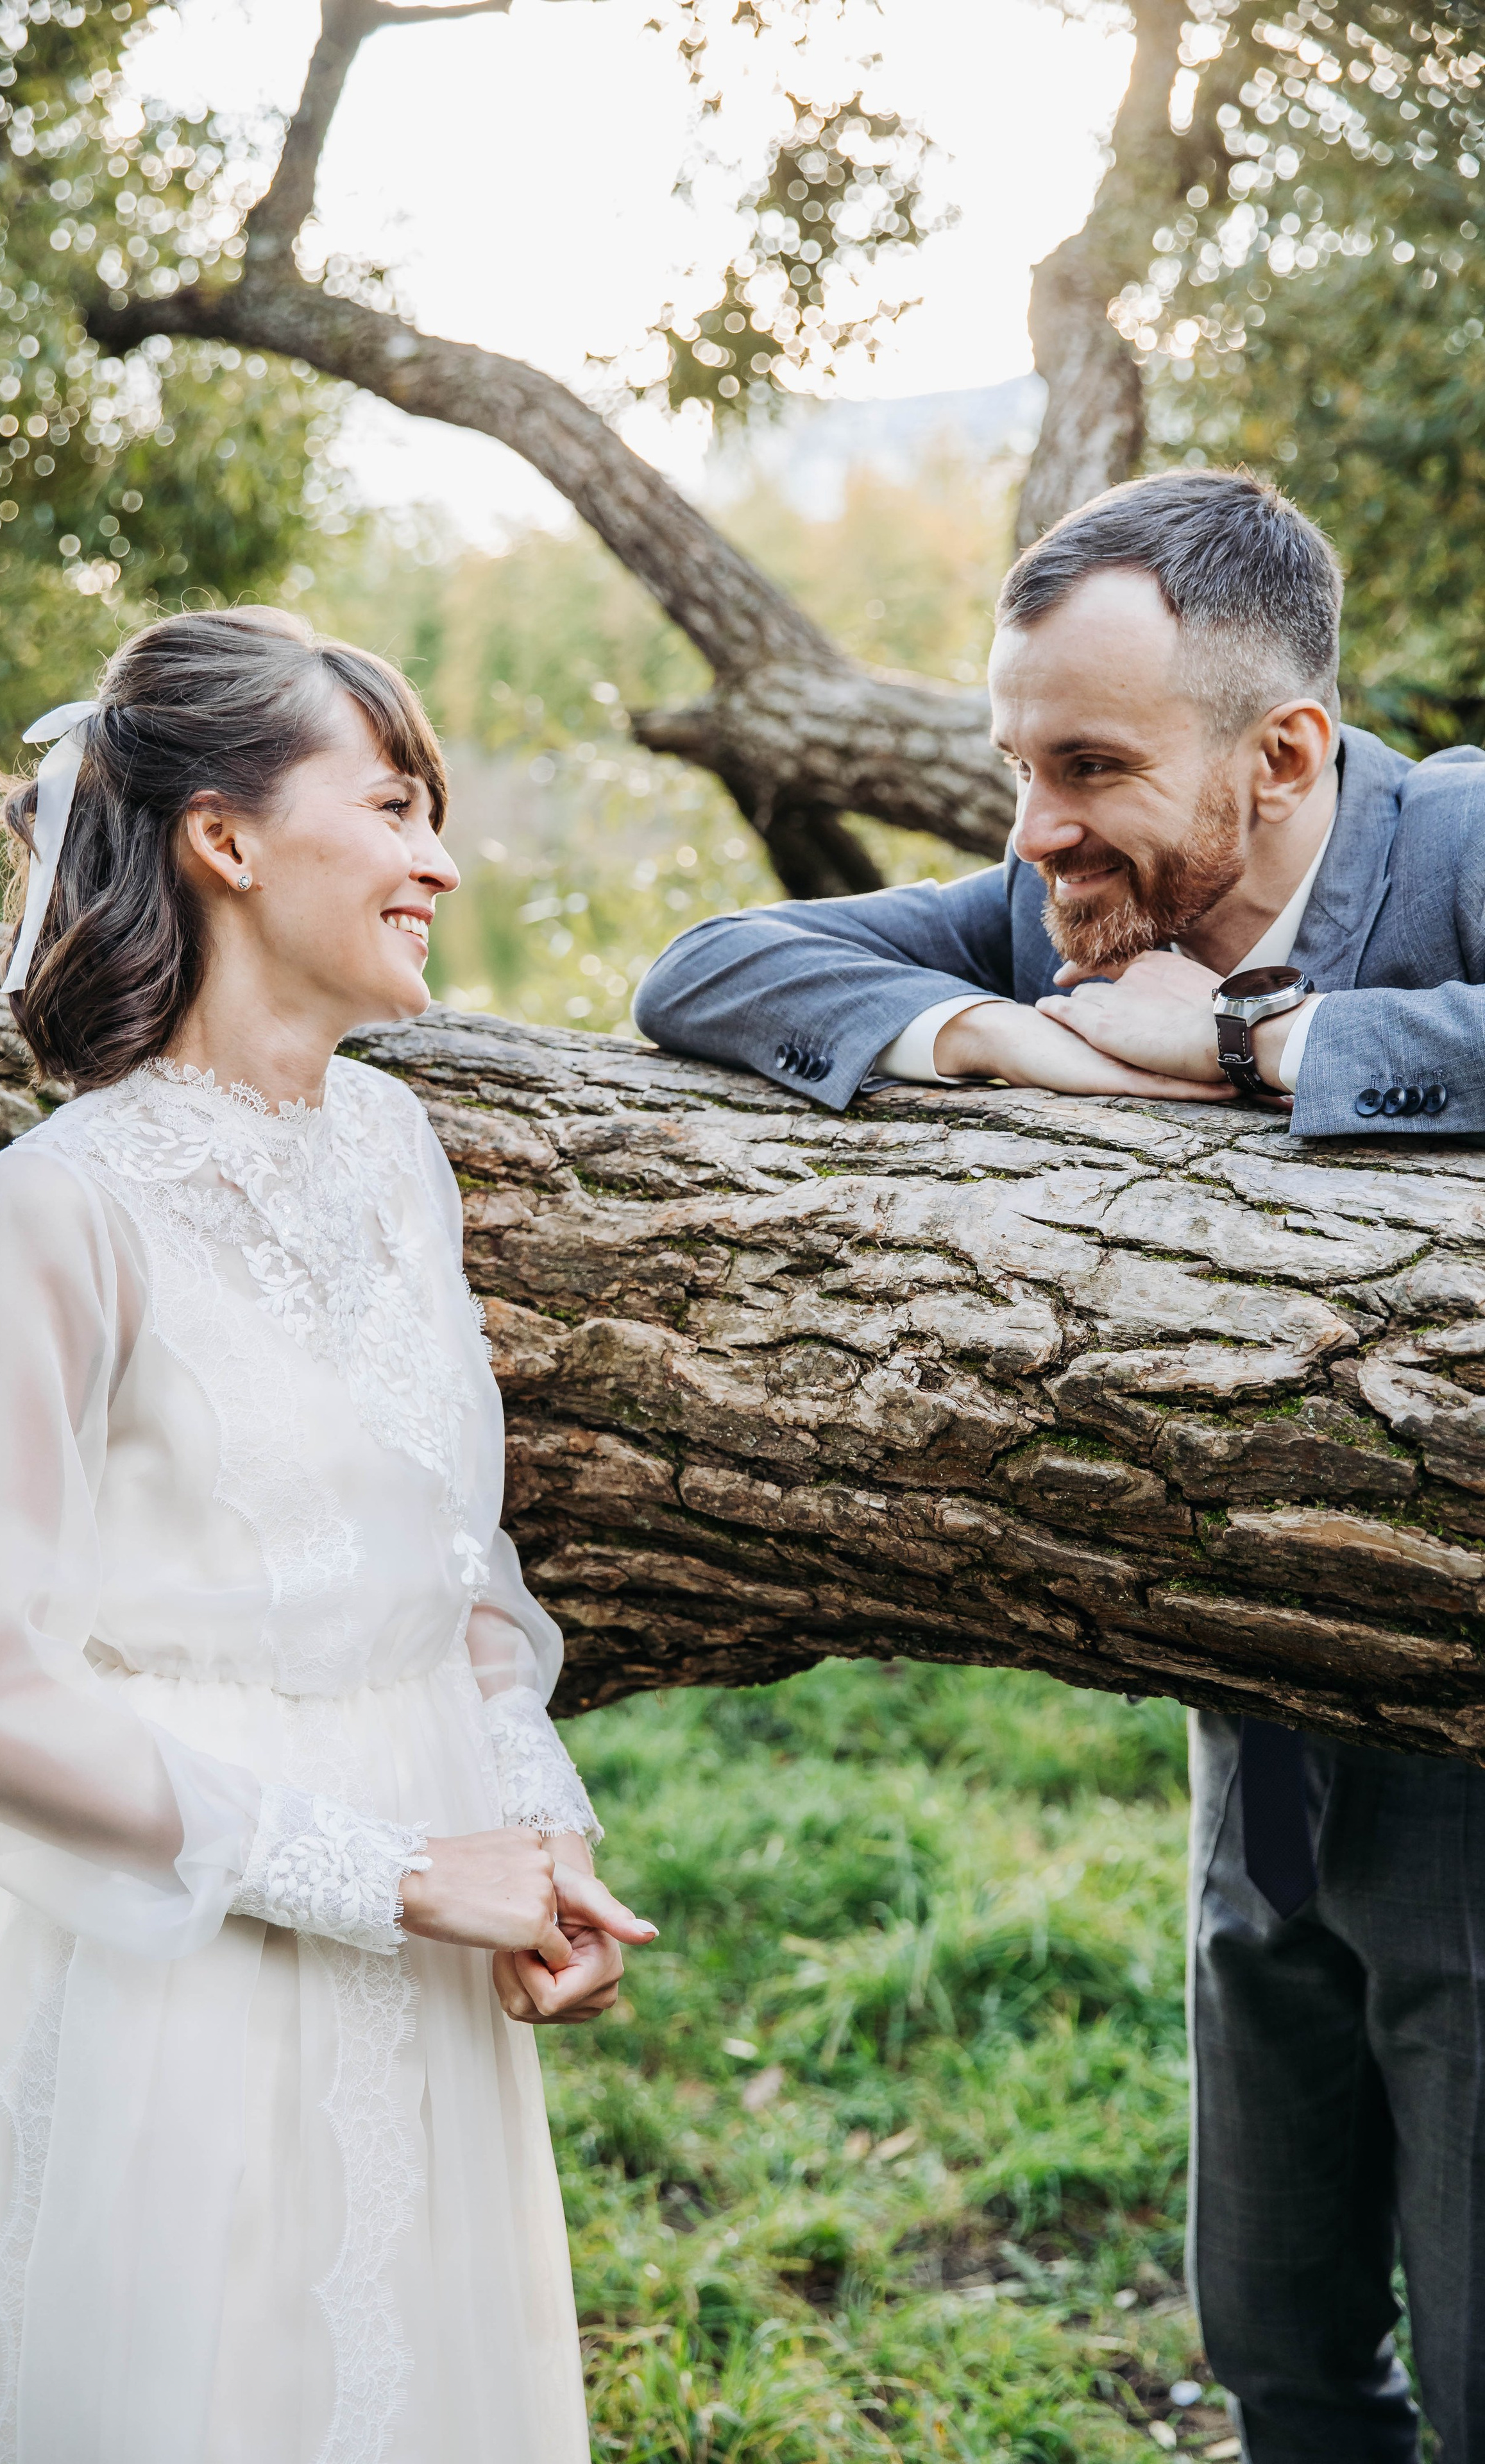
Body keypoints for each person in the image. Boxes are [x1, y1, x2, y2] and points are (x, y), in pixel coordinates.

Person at [634, 469, 1485, 2461]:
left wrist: (1276, 1046)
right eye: (1017, 765)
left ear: (1286, 754)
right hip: (1253, 1754)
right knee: (1274, 2344)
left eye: (1087, 765)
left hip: (1478, 1776)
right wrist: (1007, 1043)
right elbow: (706, 968)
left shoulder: (1465, 843)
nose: (1032, 833)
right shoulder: (1056, 899)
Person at [0, 606, 655, 2464]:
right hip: (179, 1952)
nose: (438, 856)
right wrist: (378, 1875)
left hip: (433, 1942)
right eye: (392, 805)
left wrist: (534, 1830)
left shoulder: (395, 1152)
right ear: (225, 838)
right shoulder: (53, 1215)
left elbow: (454, 1575)